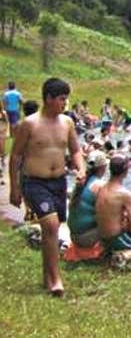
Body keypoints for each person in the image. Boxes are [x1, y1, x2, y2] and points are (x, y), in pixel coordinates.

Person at [9, 78, 85, 296]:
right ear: (49, 99)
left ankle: (46, 276)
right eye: (61, 99)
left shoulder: (67, 123)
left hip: (59, 181)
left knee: (52, 228)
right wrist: (15, 188)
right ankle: (56, 280)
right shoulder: (30, 124)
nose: (65, 103)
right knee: (51, 226)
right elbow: (15, 156)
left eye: (66, 98)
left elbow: (76, 150)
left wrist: (80, 168)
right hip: (35, 181)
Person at [67, 150, 109, 248]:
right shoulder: (100, 185)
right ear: (103, 167)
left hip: (74, 236)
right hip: (87, 239)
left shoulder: (81, 182)